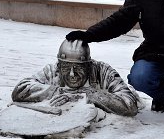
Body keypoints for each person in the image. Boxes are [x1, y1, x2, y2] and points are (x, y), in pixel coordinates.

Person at [12, 39, 141, 117]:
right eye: (66, 67)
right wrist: (57, 91)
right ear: (59, 64)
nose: (72, 74)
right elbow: (20, 89)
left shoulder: (103, 71)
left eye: (78, 68)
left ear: (88, 65)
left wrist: (89, 94)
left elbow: (129, 105)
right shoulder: (53, 70)